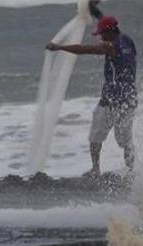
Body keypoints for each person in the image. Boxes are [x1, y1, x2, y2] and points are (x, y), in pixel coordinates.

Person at [46, 14, 137, 176]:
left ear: (110, 32)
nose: (100, 37)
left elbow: (85, 50)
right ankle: (130, 170)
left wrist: (60, 47)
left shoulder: (110, 46)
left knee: (98, 136)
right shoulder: (127, 40)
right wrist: (94, 11)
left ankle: (96, 168)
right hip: (128, 98)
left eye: (102, 33)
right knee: (124, 140)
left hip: (112, 99)